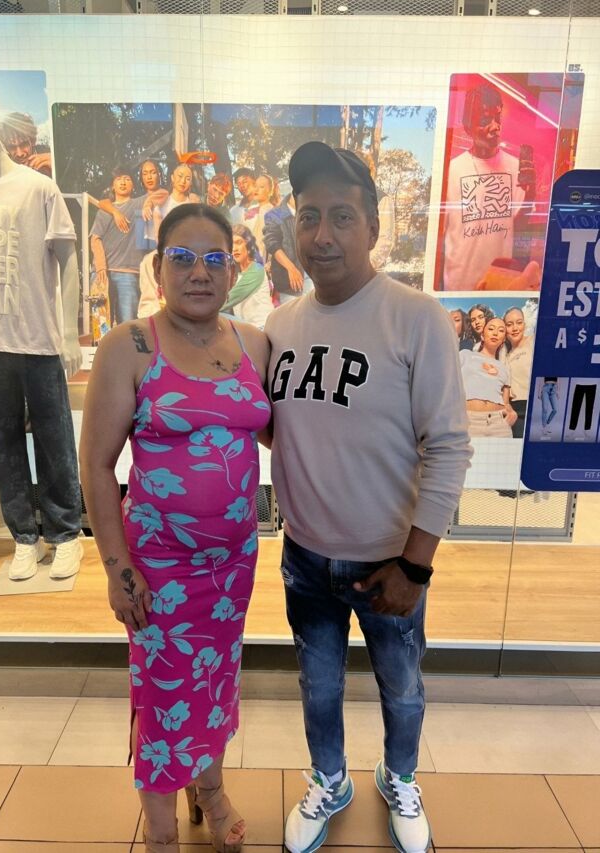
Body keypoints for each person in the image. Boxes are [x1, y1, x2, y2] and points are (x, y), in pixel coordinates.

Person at [265, 142, 471, 853]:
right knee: (317, 686)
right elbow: (279, 428)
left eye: (342, 216)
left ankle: (400, 776)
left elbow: (449, 446)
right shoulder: (280, 327)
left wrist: (415, 565)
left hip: (390, 561)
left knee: (402, 687)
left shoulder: (416, 317)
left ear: (374, 228)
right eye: (309, 216)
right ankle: (330, 779)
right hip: (304, 558)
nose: (322, 234)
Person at [79, 203, 271, 853]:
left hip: (233, 565)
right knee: (162, 690)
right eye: (183, 258)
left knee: (214, 680)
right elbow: (96, 465)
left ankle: (208, 789)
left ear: (233, 271)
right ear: (158, 267)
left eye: (215, 259)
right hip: (158, 566)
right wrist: (117, 569)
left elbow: (282, 433)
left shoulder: (255, 343)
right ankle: (159, 823)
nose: (200, 272)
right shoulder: (130, 346)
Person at [0, 87, 83, 582]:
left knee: (54, 438)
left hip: (35, 336)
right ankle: (23, 538)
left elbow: (68, 259)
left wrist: (69, 332)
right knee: (4, 441)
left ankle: (65, 533)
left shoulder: (37, 188)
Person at [440, 83, 537, 291]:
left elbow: (518, 230)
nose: (495, 127)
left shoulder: (516, 168)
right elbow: (440, 236)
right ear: (468, 126)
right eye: (485, 121)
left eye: (497, 118)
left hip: (499, 286)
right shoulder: (451, 170)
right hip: (458, 289)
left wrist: (531, 195)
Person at [90, 166, 149, 325]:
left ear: (133, 185)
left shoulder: (139, 203)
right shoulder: (104, 211)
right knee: (101, 325)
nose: (123, 182)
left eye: (127, 179)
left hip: (128, 273)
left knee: (128, 325)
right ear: (112, 185)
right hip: (102, 274)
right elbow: (95, 239)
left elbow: (161, 194)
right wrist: (100, 268)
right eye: (118, 179)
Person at [459, 317, 516, 438]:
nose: (495, 333)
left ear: (503, 339)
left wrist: (512, 413)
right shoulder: (465, 355)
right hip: (468, 422)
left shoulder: (505, 368)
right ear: (482, 336)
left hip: (499, 424)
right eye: (491, 329)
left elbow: (506, 403)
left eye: (501, 330)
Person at [263, 191, 313, 305]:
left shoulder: (312, 211)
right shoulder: (275, 214)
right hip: (289, 282)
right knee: (294, 313)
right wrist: (291, 268)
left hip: (313, 277)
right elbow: (272, 243)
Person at [223, 224, 273, 328]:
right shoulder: (235, 272)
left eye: (238, 243)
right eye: (231, 245)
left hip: (263, 327)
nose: (234, 249)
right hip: (246, 328)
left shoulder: (257, 269)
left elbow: (230, 299)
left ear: (248, 244)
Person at [503, 306, 535, 438]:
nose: (515, 328)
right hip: (516, 412)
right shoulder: (505, 355)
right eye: (509, 324)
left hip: (536, 406)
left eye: (519, 322)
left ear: (524, 325)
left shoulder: (534, 341)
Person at [0, 111, 52, 176]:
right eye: (12, 147)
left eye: (23, 144)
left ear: (33, 140)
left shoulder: (50, 153)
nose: (19, 154)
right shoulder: (3, 165)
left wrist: (56, 164)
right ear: (5, 148)